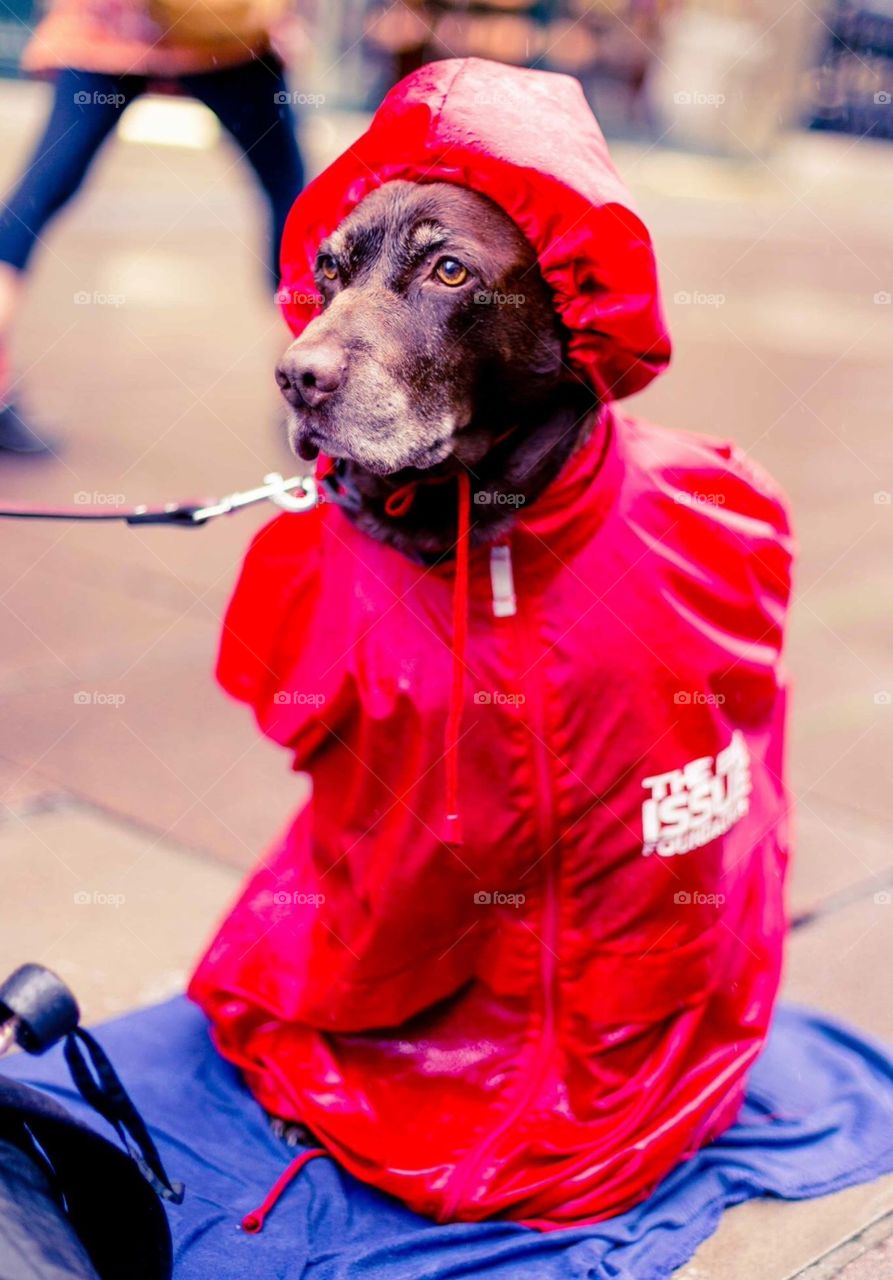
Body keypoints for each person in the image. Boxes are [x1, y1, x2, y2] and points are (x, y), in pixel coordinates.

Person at [0, 0, 305, 453]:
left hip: (107, 30)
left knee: (33, 203)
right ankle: (310, 393)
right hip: (220, 32)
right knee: (293, 203)